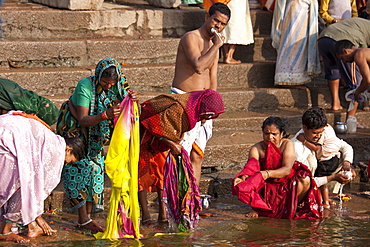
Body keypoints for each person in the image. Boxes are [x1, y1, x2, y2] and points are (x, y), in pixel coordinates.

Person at [56, 58, 139, 233]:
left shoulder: (119, 86)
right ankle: (83, 218)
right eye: (104, 82)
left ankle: (86, 219)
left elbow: (128, 104)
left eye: (111, 83)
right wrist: (105, 115)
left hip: (95, 136)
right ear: (97, 76)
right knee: (77, 169)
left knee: (95, 168)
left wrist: (133, 100)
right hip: (76, 131)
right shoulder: (85, 87)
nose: (108, 86)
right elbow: (83, 119)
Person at [138, 89, 225, 224]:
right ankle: (145, 215)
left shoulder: (194, 110)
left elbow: (172, 130)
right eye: (208, 115)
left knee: (162, 177)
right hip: (144, 136)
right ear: (203, 107)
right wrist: (171, 144)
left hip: (161, 143)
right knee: (142, 176)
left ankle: (163, 214)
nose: (207, 118)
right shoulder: (179, 108)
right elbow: (152, 125)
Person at [0, 111, 84, 243]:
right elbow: (34, 183)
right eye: (70, 161)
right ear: (68, 149)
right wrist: (38, 217)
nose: (66, 164)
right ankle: (6, 231)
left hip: (5, 133)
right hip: (6, 142)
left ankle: (26, 225)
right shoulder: (57, 149)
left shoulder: (51, 138)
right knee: (22, 183)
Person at [171, 3, 230, 187]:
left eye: (222, 24)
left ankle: (192, 198)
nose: (218, 26)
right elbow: (198, 66)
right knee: (182, 154)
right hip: (183, 100)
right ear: (207, 17)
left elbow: (213, 80)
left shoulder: (214, 45)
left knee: (197, 155)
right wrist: (216, 46)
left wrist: (209, 109)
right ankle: (177, 196)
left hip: (202, 107)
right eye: (216, 20)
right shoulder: (191, 38)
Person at [233, 117, 323, 219]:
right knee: (248, 182)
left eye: (274, 134)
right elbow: (251, 166)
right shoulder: (257, 148)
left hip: (284, 181)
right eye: (266, 134)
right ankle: (259, 208)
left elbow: (287, 169)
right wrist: (243, 177)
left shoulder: (287, 144)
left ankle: (291, 206)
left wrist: (266, 173)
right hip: (266, 184)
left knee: (305, 179)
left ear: (281, 134)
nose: (270, 137)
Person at [292, 107, 355, 208]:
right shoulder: (297, 147)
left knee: (338, 155)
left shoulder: (326, 132)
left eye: (320, 132)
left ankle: (324, 197)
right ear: (304, 128)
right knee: (312, 163)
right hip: (301, 190)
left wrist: (347, 163)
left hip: (322, 173)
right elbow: (306, 181)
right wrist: (333, 178)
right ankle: (318, 198)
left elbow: (345, 146)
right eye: (315, 133)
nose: (318, 136)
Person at [317, 17, 370, 114]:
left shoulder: (359, 54)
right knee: (354, 82)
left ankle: (344, 113)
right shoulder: (361, 51)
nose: (343, 61)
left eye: (342, 58)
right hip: (339, 38)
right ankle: (351, 119)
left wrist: (357, 92)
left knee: (352, 82)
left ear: (345, 51)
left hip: (323, 38)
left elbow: (367, 80)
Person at [271, 0, 321, 87]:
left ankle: (297, 77)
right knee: (291, 43)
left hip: (304, 8)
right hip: (295, 9)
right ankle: (287, 77)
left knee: (301, 45)